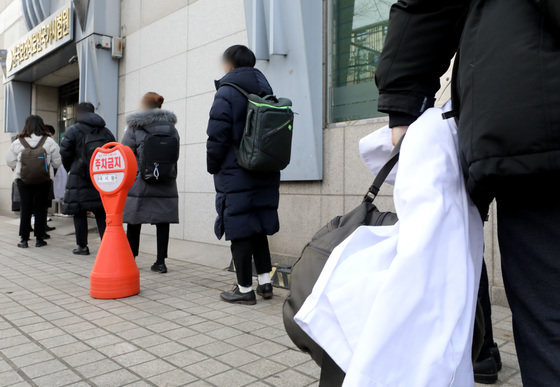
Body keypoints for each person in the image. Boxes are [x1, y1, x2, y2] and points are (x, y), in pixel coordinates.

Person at [375, 1, 560, 385]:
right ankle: (483, 353)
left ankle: (482, 353)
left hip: (530, 118)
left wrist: (404, 102)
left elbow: (424, 8)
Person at [207, 45, 279, 305]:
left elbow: (217, 134)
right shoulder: (266, 90)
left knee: (239, 229)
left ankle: (244, 289)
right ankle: (266, 283)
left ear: (230, 64)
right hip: (265, 169)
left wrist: (213, 165)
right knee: (258, 226)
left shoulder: (227, 92)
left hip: (236, 171)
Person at [122, 92, 180, 274]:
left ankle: (131, 259)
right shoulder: (172, 129)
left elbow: (125, 154)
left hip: (140, 180)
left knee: (134, 220)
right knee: (163, 222)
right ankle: (160, 262)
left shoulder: (134, 128)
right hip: (166, 179)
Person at [60, 103, 115, 255]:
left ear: (79, 113)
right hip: (101, 177)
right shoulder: (105, 131)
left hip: (79, 176)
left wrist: (70, 167)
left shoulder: (73, 130)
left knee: (79, 213)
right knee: (102, 213)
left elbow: (64, 151)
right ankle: (107, 247)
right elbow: (113, 150)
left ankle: (82, 247)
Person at [6, 115, 61, 248]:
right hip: (44, 179)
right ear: (41, 125)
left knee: (25, 208)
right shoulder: (49, 141)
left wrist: (19, 168)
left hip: (23, 180)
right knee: (41, 208)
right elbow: (57, 162)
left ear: (27, 126)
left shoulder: (18, 141)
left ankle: (24, 240)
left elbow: (10, 161)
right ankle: (39, 239)